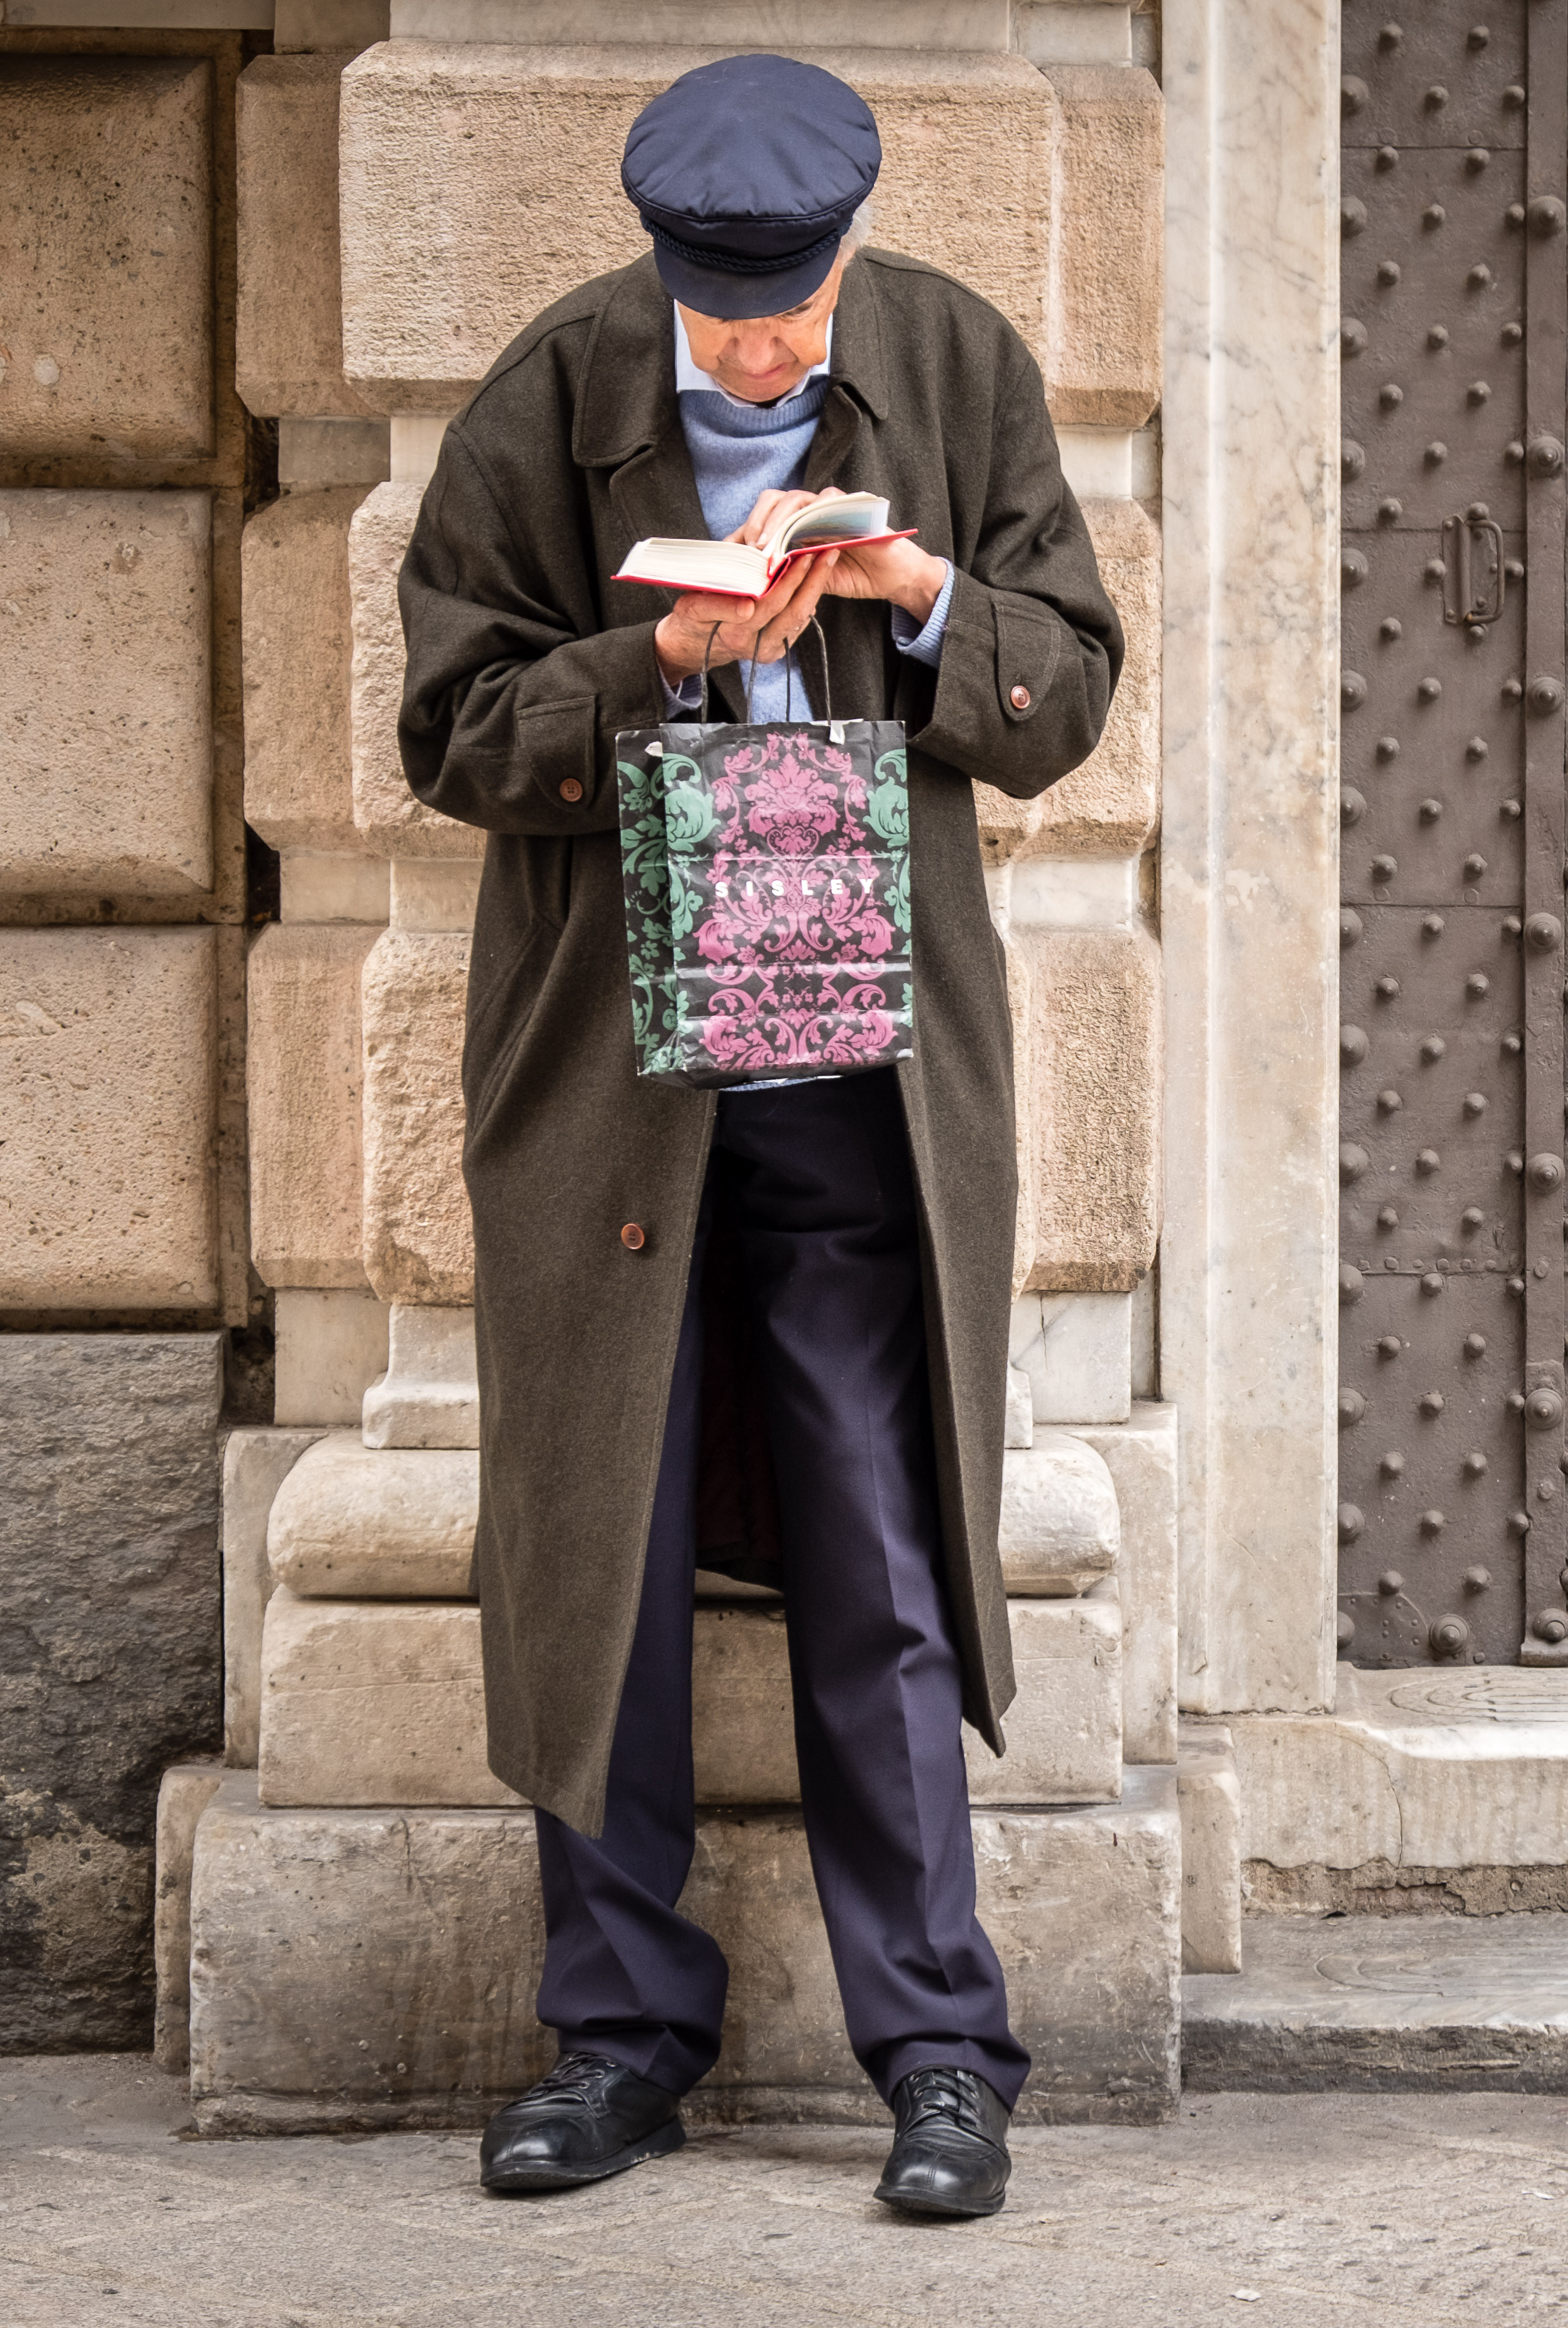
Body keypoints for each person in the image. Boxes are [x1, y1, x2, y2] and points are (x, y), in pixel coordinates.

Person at [390, 53, 1122, 2218]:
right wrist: (658, 661)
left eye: (795, 307)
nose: (767, 348)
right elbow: (446, 734)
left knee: (883, 1567)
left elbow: (1070, 690)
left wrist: (915, 601)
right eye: (729, 319)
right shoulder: (546, 393)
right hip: (619, 1081)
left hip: (862, 1083)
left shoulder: (955, 363)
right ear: (662, 272)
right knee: (595, 1555)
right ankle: (616, 2046)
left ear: (845, 257)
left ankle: (940, 2054)